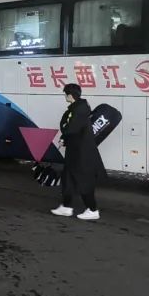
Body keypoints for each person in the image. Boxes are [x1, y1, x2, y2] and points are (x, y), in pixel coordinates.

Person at [50, 84, 103, 220]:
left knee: (84, 181)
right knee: (68, 179)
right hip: (74, 151)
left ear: (70, 95)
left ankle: (92, 209)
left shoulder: (79, 109)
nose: (65, 96)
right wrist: (65, 138)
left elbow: (72, 128)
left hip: (82, 154)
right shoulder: (77, 107)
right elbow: (72, 127)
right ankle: (66, 207)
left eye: (65, 94)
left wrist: (64, 137)